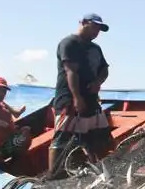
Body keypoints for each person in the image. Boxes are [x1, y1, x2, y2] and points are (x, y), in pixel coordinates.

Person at [49, 13, 114, 175]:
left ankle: (105, 171)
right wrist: (77, 98)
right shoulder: (69, 43)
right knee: (62, 139)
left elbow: (104, 69)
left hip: (91, 101)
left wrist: (98, 82)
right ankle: (53, 175)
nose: (97, 31)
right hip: (69, 101)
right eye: (95, 26)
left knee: (102, 137)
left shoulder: (95, 48)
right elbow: (71, 71)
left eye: (100, 29)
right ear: (84, 23)